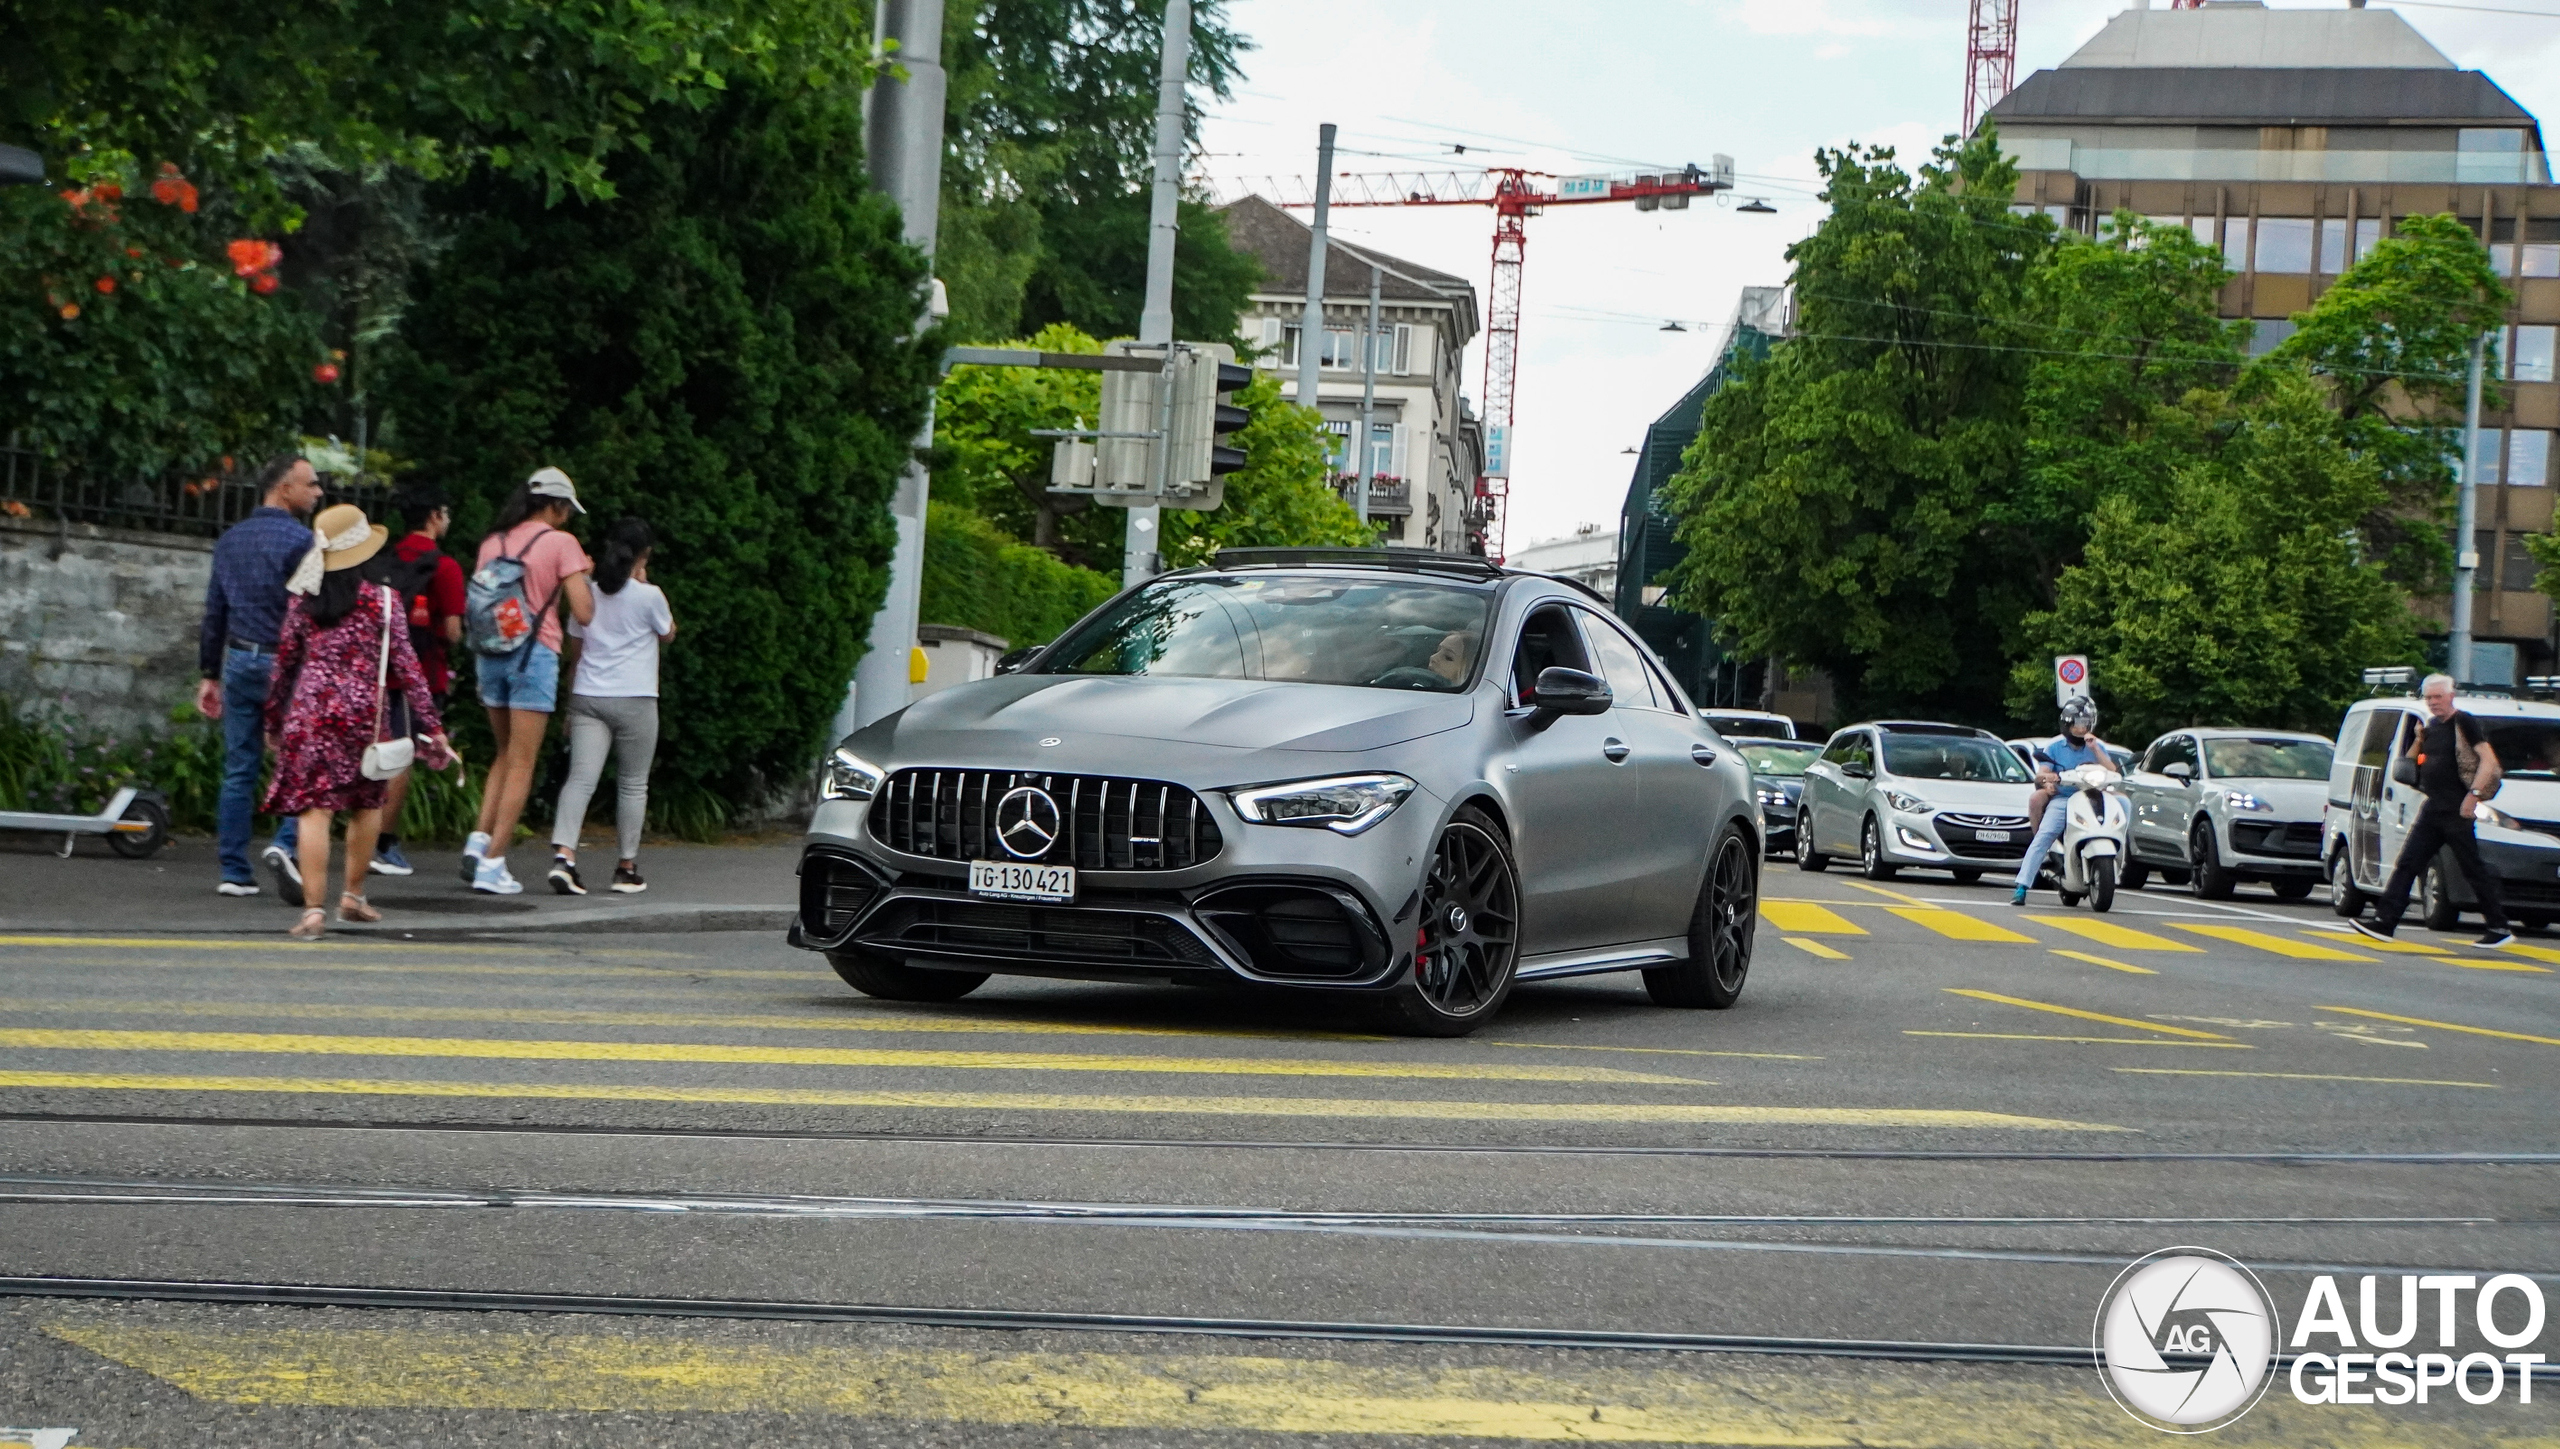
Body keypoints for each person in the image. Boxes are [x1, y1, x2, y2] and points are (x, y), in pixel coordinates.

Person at [261, 504, 456, 939]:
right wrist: (433, 726)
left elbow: (284, 666)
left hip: (310, 715)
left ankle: (313, 910)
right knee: (366, 804)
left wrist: (273, 719)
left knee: (314, 811)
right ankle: (352, 895)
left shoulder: (303, 600)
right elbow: (408, 668)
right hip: (364, 716)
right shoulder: (383, 602)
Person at [195, 453, 323, 897]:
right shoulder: (302, 542)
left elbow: (216, 611)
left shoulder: (230, 540)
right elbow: (311, 610)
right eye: (310, 484)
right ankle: (287, 844)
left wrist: (210, 673)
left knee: (239, 767)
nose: (318, 491)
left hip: (239, 660)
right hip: (286, 662)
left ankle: (233, 870)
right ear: (283, 488)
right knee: (300, 761)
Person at [463, 466, 594, 894]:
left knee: (503, 753)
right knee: (523, 762)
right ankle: (494, 863)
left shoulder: (492, 542)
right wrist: (581, 574)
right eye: (566, 509)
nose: (568, 517)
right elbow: (584, 612)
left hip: (490, 656)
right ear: (554, 505)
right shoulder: (561, 544)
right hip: (533, 656)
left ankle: (479, 839)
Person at [547, 517, 676, 896]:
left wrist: (570, 709)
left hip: (589, 696)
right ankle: (625, 867)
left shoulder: (586, 592)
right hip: (636, 697)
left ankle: (564, 858)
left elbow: (576, 653)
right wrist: (645, 582)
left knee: (580, 779)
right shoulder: (650, 596)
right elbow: (669, 633)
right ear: (644, 555)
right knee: (633, 784)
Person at [2353, 674, 2514, 948]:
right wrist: (2418, 739)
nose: (2434, 702)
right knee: (2408, 863)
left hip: (2455, 808)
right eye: (2429, 698)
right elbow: (2412, 762)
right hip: (2433, 807)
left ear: (2451, 696)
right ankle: (2385, 922)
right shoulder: (2431, 726)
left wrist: (2472, 796)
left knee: (2471, 867)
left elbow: (2489, 762)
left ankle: (2499, 927)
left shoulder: (2464, 722)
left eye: (2438, 697)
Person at [371, 484, 468, 876]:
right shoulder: (443, 566)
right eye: (444, 512)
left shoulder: (387, 558)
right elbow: (453, 629)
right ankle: (383, 844)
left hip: (378, 672)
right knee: (402, 757)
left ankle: (369, 835)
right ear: (433, 515)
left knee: (378, 753)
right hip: (419, 675)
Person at [2011, 697, 2115, 906]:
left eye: (2085, 724)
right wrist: (2048, 781)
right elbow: (2042, 774)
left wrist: (2095, 749)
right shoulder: (2055, 745)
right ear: (2067, 724)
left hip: (2093, 797)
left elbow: (2112, 771)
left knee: (2123, 804)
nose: (2080, 728)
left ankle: (2118, 854)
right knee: (2044, 835)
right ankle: (2022, 886)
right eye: (2076, 724)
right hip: (2064, 798)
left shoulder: (2096, 744)